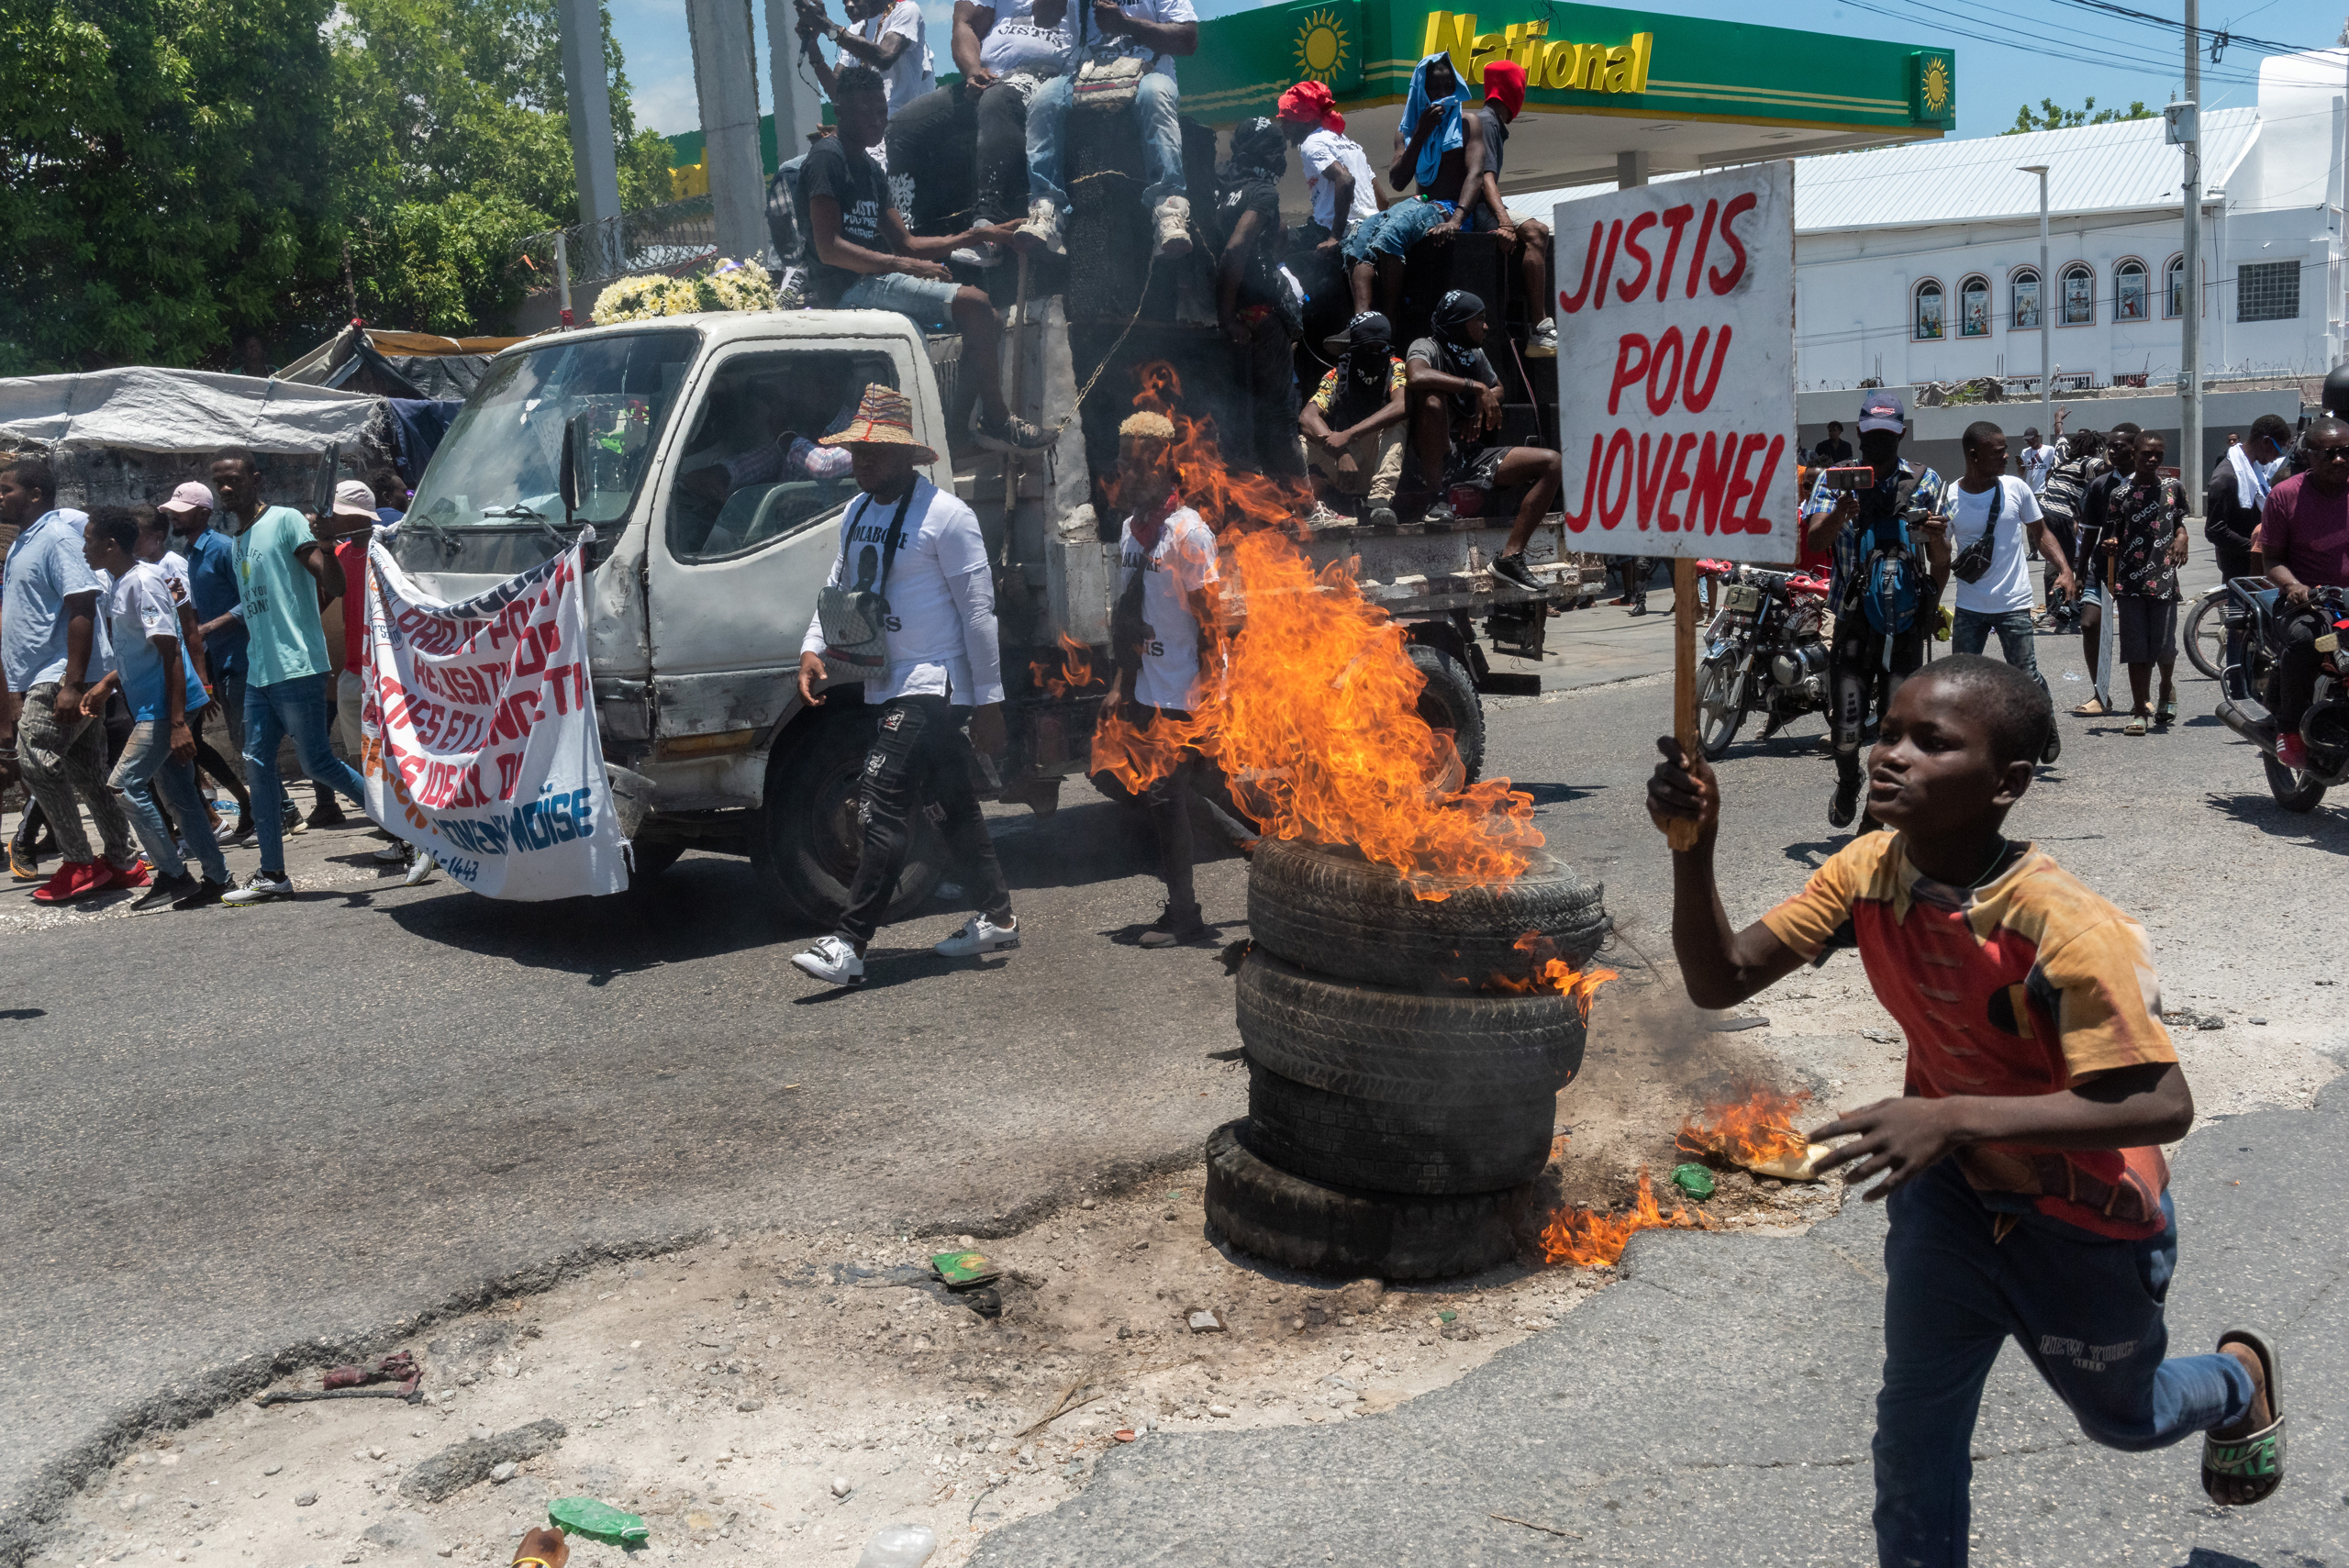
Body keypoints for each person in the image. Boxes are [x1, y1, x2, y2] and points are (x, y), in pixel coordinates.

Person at [1643, 656, 2284, 1566]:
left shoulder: (2065, 926)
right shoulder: (1867, 869)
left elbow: (2160, 1102)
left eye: (1930, 742)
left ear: (2006, 783)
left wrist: (1952, 1118)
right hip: (1947, 1200)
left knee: (2126, 1418)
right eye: (1888, 732)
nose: (1890, 755)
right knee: (1915, 1436)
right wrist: (1693, 847)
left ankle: (2234, 1378)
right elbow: (1722, 978)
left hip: (2082, 1216)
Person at [790, 385, 1020, 987]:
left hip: (934, 681)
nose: (862, 463)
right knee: (949, 802)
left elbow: (979, 614)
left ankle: (849, 943)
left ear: (904, 455)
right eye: (857, 453)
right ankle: (997, 916)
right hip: (884, 680)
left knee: (880, 796)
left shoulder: (948, 517)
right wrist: (813, 647)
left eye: (874, 453)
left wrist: (990, 702)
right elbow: (839, 585)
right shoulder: (857, 512)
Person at [806, 66, 1048, 454]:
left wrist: (979, 235)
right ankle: (996, 419)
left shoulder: (871, 170)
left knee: (987, 318)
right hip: (844, 290)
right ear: (840, 111)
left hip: (873, 280)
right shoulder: (826, 159)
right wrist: (905, 267)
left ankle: (957, 432)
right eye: (866, 112)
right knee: (976, 303)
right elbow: (829, 249)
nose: (877, 120)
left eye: (881, 111)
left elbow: (906, 244)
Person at [209, 447, 374, 905]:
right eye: (219, 481)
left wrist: (327, 547)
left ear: (255, 479)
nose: (226, 487)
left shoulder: (284, 520)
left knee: (317, 763)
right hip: (260, 670)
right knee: (258, 767)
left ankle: (411, 832)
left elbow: (333, 584)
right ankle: (273, 873)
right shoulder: (239, 538)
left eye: (234, 479)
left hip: (297, 666)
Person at [0, 458, 146, 903]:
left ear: (35, 494)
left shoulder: (57, 537)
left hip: (59, 676)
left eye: (5, 490)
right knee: (89, 773)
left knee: (35, 762)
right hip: (43, 676)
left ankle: (79, 863)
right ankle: (123, 861)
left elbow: (82, 603)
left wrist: (72, 683)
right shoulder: (24, 541)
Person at [75, 509, 232, 911]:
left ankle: (173, 874)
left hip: (164, 709)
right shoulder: (121, 582)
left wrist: (178, 724)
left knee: (123, 786)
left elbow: (171, 652)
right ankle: (217, 877)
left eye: (89, 539)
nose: (84, 547)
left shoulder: (143, 582)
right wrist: (107, 684)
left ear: (111, 544)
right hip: (154, 705)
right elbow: (140, 650)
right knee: (179, 795)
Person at [1808, 390, 1947, 829]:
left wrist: (1936, 544)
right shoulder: (1836, 478)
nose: (1878, 442)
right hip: (1852, 619)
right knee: (1846, 728)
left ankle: (1873, 817)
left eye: (1887, 434)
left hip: (1904, 622)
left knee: (1895, 727)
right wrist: (1840, 514)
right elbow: (1814, 539)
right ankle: (1849, 779)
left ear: (1901, 434)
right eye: (1871, 434)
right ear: (1858, 433)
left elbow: (1940, 560)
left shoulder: (1926, 481)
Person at [1109, 411, 1221, 947]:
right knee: (1146, 787)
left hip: (1185, 689)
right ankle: (1271, 851)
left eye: (1141, 464)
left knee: (1164, 796)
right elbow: (1127, 617)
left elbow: (1211, 623)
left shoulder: (1188, 533)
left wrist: (1214, 697)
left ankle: (1185, 916)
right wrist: (1118, 685)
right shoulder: (1130, 530)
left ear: (1165, 466)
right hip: (1146, 686)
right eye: (1124, 464)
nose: (1129, 474)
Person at [885, 0, 1070, 269]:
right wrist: (973, 71)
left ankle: (988, 228)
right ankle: (912, 241)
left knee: (997, 100)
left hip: (1048, 74)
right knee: (903, 126)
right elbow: (965, 23)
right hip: (990, 77)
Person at [1014, 0, 1198, 261]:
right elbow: (1042, 18)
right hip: (1082, 77)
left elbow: (1188, 40)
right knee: (1043, 99)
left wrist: (1124, 24)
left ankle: (1169, 209)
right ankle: (1046, 209)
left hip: (1148, 73)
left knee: (1156, 94)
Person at [321, 480, 438, 888]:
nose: (330, 520)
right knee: (367, 761)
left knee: (397, 757)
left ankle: (424, 839)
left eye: (336, 513)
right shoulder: (339, 555)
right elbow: (329, 596)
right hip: (354, 671)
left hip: (385, 669)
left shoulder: (387, 552)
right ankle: (404, 836)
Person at [1404, 291, 1560, 589]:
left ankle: (1510, 558)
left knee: (1551, 463)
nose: (1486, 327)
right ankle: (1437, 499)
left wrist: (1480, 400)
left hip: (1469, 456)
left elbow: (1497, 387)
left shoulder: (1473, 353)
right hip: (1428, 461)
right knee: (1433, 401)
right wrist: (1475, 388)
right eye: (1480, 320)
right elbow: (1416, 376)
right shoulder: (1427, 346)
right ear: (1461, 321)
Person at [1943, 421, 2073, 763]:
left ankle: (2045, 721)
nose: (2007, 456)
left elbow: (2040, 533)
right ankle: (1970, 748)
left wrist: (2065, 569)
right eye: (1998, 451)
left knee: (2025, 674)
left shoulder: (2016, 488)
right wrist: (1931, 600)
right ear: (1974, 455)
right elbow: (1941, 555)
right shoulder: (1950, 497)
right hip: (1969, 605)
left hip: (2013, 603)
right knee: (1961, 679)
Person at [135, 499, 249, 838]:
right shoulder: (146, 568)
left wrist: (203, 681)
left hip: (186, 666)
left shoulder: (173, 566)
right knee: (191, 747)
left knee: (189, 745)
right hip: (168, 668)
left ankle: (225, 811)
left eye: (138, 535)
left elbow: (190, 623)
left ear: (156, 537)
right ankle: (229, 806)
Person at [1204, 118, 1304, 482]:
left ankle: (1263, 494)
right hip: (1257, 316)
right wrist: (1229, 315)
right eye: (1275, 152)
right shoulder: (1263, 192)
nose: (1281, 160)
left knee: (1240, 415)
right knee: (1279, 414)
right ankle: (1303, 501)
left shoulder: (1219, 185)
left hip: (1226, 319)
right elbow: (1236, 249)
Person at [1341, 52, 1475, 318]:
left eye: (1449, 87)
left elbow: (1477, 175)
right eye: (1434, 88)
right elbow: (1398, 181)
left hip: (1449, 210)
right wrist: (1421, 132)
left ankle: (1390, 321)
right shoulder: (1407, 131)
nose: (1443, 94)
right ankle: (1362, 319)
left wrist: (1456, 220)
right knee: (1359, 235)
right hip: (1419, 205)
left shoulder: (1467, 123)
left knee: (1392, 233)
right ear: (1421, 91)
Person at [161, 479, 256, 840]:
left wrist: (210, 626)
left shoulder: (222, 549)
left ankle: (276, 811)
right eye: (172, 512)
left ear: (203, 513)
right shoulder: (191, 553)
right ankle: (267, 809)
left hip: (239, 656)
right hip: (218, 659)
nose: (175, 517)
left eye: (181, 512)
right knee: (239, 742)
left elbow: (252, 598)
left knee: (249, 743)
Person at [2258, 413, 2349, 770]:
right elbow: (2272, 561)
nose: (2339, 460)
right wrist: (2294, 586)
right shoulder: (2285, 495)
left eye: (2345, 452)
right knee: (2307, 640)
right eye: (2328, 454)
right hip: (2310, 603)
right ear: (2309, 455)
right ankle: (2289, 728)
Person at [1455, 61, 1556, 357]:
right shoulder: (1487, 121)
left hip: (1477, 208)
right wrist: (1505, 221)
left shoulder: (1490, 123)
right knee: (1538, 232)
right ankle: (1540, 327)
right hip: (1478, 209)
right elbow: (1484, 178)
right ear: (1512, 89)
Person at [2100, 431, 2190, 735]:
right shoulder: (2120, 494)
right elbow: (2113, 532)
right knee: (2135, 649)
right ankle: (2140, 710)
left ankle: (2165, 687)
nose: (2152, 459)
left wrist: (2182, 537)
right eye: (2146, 454)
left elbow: (2179, 523)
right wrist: (2111, 543)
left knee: (2164, 647)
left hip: (2164, 578)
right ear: (2134, 455)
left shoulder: (2173, 488)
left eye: (2158, 454)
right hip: (2129, 581)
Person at [1300, 311, 1408, 521]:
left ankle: (1380, 502)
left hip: (1381, 462)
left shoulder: (1395, 367)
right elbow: (1307, 417)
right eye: (1368, 348)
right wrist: (1341, 452)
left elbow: (1401, 405)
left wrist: (1349, 434)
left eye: (1381, 348)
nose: (1375, 353)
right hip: (1344, 463)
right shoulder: (1337, 374)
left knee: (1398, 423)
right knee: (1301, 444)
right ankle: (1297, 507)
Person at [798, 0, 934, 165]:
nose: (848, 5)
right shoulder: (855, 30)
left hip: (903, 134)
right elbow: (837, 93)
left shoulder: (906, 10)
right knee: (791, 169)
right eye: (844, 1)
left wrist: (825, 25)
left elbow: (884, 57)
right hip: (870, 137)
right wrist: (812, 46)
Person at [2068, 418, 2140, 716]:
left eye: (2119, 446)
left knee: (2138, 633)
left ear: (2135, 448)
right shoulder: (2099, 485)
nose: (2111, 451)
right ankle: (2101, 693)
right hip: (2103, 566)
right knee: (2090, 624)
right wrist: (2079, 572)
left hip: (2138, 569)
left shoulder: (2150, 484)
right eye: (2110, 446)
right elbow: (2089, 533)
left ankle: (2147, 696)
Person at [1274, 81, 1376, 260]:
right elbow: (1381, 198)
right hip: (1371, 227)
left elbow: (1346, 179)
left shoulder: (1311, 143)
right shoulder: (1350, 144)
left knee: (1280, 251)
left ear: (1303, 120)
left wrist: (1334, 238)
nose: (1283, 128)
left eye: (1286, 121)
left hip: (1336, 231)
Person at [2205, 413, 2291, 583]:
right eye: (2278, 449)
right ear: (2266, 442)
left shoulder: (2255, 472)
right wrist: (2255, 548)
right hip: (2239, 571)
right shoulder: (2225, 478)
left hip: (2257, 567)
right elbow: (2215, 530)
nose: (2277, 456)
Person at [2034, 427, 2099, 634]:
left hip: (2043, 513)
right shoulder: (2087, 462)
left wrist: (2059, 421)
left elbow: (2060, 435)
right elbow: (2108, 466)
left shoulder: (2061, 454)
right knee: (2067, 568)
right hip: (2062, 515)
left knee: (2057, 565)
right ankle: (2068, 614)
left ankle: (2062, 613)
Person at [2015, 416, 2065, 495]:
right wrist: (2019, 465)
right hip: (2030, 491)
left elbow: (2055, 468)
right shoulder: (2025, 452)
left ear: (2037, 437)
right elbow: (2021, 474)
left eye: (2031, 439)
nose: (2029, 442)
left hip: (2044, 490)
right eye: (2027, 440)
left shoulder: (2049, 450)